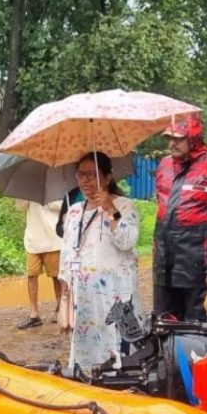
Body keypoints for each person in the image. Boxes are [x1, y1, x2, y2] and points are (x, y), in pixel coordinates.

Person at [59, 152, 140, 377]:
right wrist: (64, 293)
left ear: (107, 177)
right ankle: (88, 378)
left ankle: (120, 380)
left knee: (115, 341)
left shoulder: (124, 206)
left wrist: (111, 210)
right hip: (83, 296)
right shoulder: (74, 211)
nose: (85, 180)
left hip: (114, 295)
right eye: (81, 174)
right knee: (86, 349)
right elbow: (66, 253)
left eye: (92, 175)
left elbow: (127, 241)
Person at [152, 113, 207, 321]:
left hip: (197, 257)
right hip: (164, 256)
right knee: (164, 320)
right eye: (169, 138)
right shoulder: (165, 164)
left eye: (178, 138)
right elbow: (162, 206)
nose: (172, 144)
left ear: (193, 137)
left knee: (196, 320)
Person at [17, 199, 63, 329]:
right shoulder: (30, 191)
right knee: (31, 275)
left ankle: (59, 310)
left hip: (53, 240)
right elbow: (20, 207)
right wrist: (26, 196)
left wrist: (47, 200)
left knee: (56, 277)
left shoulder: (56, 191)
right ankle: (34, 314)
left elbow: (62, 207)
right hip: (33, 241)